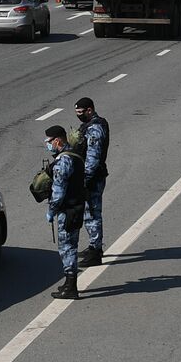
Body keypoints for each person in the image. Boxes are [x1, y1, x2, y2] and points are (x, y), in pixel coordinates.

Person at [44, 125, 85, 300]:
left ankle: (71, 286)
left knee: (66, 248)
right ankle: (69, 283)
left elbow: (58, 191)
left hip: (67, 211)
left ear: (57, 140)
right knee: (72, 246)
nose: (47, 145)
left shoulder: (62, 162)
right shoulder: (76, 156)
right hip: (77, 208)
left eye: (49, 141)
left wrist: (51, 210)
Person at [72, 97, 110, 267]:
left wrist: (84, 180)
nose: (79, 116)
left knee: (92, 215)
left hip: (93, 179)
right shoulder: (90, 125)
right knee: (89, 214)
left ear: (90, 110)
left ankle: (96, 252)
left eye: (81, 112)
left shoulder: (95, 128)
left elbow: (93, 158)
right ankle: (93, 246)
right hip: (90, 177)